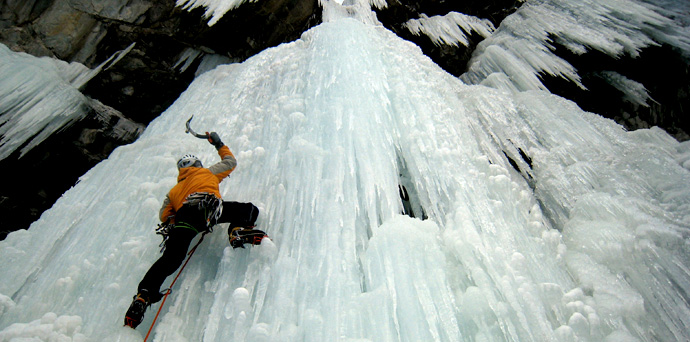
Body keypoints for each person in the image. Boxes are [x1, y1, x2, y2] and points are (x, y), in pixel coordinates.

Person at [124, 131, 265, 328]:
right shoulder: (206, 172)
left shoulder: (173, 191)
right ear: (196, 165)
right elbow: (230, 162)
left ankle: (143, 296)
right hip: (207, 208)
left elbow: (164, 215)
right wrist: (218, 143)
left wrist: (177, 212)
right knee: (248, 210)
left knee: (170, 259)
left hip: (183, 219)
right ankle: (237, 231)